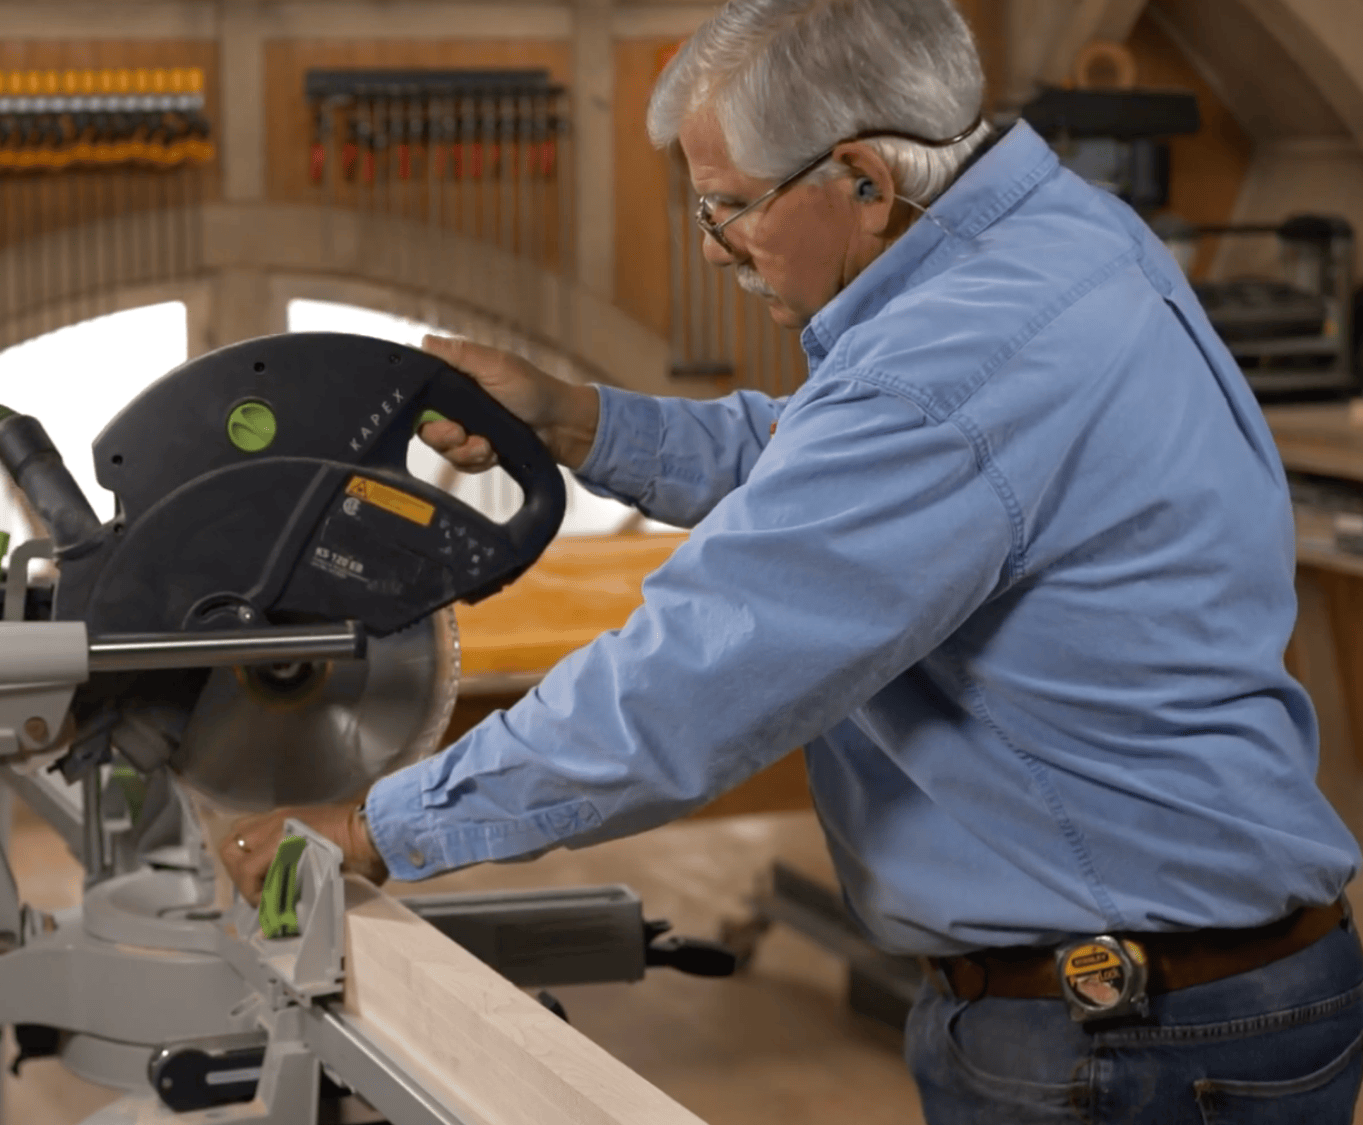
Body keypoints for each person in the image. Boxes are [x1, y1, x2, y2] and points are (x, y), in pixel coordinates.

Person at [219, 0, 1363, 1120]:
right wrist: (576, 421)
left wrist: (377, 825)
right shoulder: (1051, 239)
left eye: (725, 208)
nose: (713, 250)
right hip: (1191, 996)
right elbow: (830, 456)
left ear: (862, 179)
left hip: (1129, 1043)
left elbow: (699, 677)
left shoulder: (951, 367)